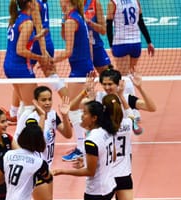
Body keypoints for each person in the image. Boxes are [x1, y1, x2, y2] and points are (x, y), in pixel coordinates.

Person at [78, 68, 155, 200]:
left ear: (119, 83)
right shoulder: (102, 103)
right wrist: (90, 95)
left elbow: (151, 107)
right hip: (114, 170)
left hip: (112, 171)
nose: (106, 86)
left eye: (110, 83)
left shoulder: (122, 102)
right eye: (103, 83)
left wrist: (138, 89)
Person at [14, 86, 73, 200]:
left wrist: (64, 115)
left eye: (49, 99)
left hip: (45, 166)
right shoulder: (30, 117)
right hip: (33, 167)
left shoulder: (53, 116)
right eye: (43, 100)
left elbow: (69, 134)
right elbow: (36, 142)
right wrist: (41, 116)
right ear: (36, 102)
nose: (47, 103)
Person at [6, 0, 69, 124]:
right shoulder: (40, 3)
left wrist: (43, 51)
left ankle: (71, 108)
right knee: (27, 80)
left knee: (25, 79)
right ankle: (14, 112)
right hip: (40, 44)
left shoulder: (32, 6)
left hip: (38, 46)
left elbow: (39, 26)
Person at [55, 0, 94, 162]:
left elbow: (68, 51)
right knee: (82, 108)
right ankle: (84, 145)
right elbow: (64, 36)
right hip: (83, 65)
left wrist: (51, 60)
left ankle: (81, 148)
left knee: (72, 109)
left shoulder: (73, 20)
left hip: (79, 69)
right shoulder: (76, 17)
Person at [4, 0, 50, 124]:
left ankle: (20, 137)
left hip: (10, 65)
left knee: (25, 104)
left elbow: (21, 40)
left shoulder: (17, 17)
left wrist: (38, 36)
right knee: (32, 107)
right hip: (20, 67)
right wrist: (40, 58)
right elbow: (20, 50)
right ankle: (21, 137)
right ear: (30, 4)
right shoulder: (28, 22)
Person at [105, 0, 154, 97]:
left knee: (122, 77)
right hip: (135, 43)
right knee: (131, 75)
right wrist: (149, 42)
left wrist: (111, 44)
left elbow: (109, 25)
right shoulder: (136, 1)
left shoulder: (113, 3)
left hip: (121, 43)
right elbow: (141, 22)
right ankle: (132, 102)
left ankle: (125, 104)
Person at [84, 0, 112, 74]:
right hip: (81, 51)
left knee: (109, 75)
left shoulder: (95, 2)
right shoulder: (71, 4)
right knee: (83, 80)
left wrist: (90, 23)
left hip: (96, 47)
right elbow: (64, 36)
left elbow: (103, 30)